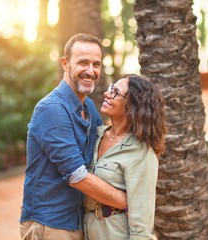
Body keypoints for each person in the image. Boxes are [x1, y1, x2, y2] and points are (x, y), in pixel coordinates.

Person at [20, 33, 127, 240]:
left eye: (96, 64)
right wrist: (125, 200)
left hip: (77, 222)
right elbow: (76, 175)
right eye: (83, 62)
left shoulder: (87, 107)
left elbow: (104, 147)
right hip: (51, 225)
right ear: (65, 63)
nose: (91, 71)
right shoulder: (52, 109)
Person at [82, 74, 167, 240]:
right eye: (110, 88)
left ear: (133, 106)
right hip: (83, 230)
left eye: (115, 92)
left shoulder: (141, 153)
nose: (107, 93)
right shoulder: (94, 135)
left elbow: (142, 226)